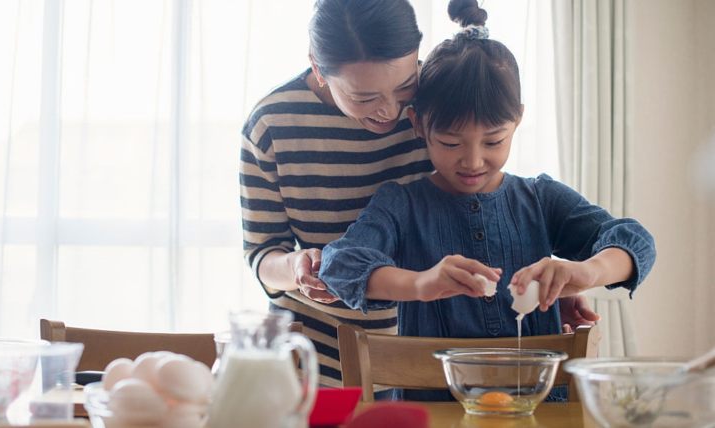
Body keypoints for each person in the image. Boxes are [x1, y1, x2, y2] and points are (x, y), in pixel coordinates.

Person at [240, 0, 600, 391]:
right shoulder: (272, 124)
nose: (390, 111)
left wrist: (535, 294)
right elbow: (262, 252)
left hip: (429, 361)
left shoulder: (438, 95)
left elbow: (479, 202)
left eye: (404, 86)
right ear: (317, 67)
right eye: (364, 98)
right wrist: (295, 266)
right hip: (319, 360)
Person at [318, 0, 656, 402]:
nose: (474, 160)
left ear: (519, 120)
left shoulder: (541, 199)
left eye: (494, 140)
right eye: (450, 142)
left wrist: (585, 273)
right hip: (432, 413)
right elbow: (340, 265)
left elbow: (634, 241)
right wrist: (422, 284)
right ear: (419, 126)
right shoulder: (401, 204)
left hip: (537, 412)